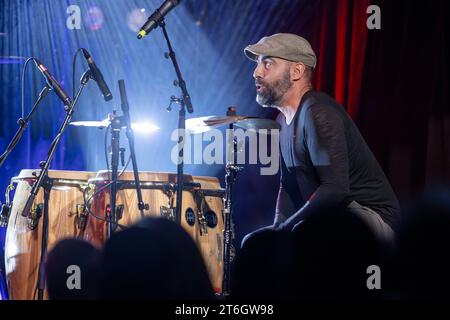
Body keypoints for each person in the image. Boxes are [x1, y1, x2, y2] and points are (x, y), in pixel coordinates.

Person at [242, 33, 400, 245]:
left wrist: (287, 230)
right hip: (336, 217)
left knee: (303, 236)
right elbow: (287, 185)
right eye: (258, 64)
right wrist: (277, 229)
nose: (256, 73)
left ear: (296, 71)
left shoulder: (318, 112)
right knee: (254, 242)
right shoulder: (283, 120)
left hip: (372, 221)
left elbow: (335, 189)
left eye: (268, 63)